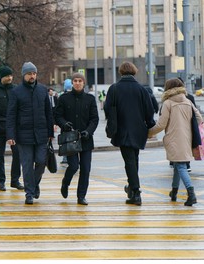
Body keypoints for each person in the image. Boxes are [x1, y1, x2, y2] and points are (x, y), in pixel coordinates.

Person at [104, 61, 155, 206]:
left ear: (121, 72)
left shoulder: (114, 88)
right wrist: (150, 125)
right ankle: (132, 190)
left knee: (129, 161)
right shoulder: (141, 89)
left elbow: (107, 109)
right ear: (134, 71)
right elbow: (149, 111)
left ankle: (136, 192)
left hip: (121, 130)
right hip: (139, 130)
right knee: (134, 159)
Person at [148, 78, 202, 206]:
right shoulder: (188, 101)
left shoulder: (168, 103)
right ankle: (174, 192)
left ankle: (191, 193)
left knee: (180, 166)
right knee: (178, 166)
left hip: (173, 139)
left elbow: (161, 124)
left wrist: (148, 133)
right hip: (187, 139)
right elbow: (199, 119)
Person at [6, 62, 54, 205]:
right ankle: (29, 193)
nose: (32, 76)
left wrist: (50, 132)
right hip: (23, 135)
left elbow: (48, 113)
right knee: (27, 165)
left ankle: (34, 185)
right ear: (24, 75)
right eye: (29, 74)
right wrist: (11, 136)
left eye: (34, 73)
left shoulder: (42, 90)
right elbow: (11, 115)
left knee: (40, 161)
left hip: (41, 134)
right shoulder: (16, 92)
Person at [55, 73, 99, 205]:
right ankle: (65, 182)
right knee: (73, 166)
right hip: (70, 138)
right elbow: (57, 116)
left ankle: (81, 196)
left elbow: (94, 119)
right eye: (75, 81)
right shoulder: (64, 98)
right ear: (72, 83)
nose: (78, 83)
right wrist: (64, 124)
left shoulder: (90, 99)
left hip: (86, 139)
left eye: (80, 81)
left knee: (85, 169)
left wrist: (88, 132)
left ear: (84, 83)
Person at [60, 79, 73, 165]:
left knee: (65, 141)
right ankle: (67, 157)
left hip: (64, 123)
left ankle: (65, 157)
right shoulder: (72, 96)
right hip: (69, 123)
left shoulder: (61, 96)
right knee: (71, 141)